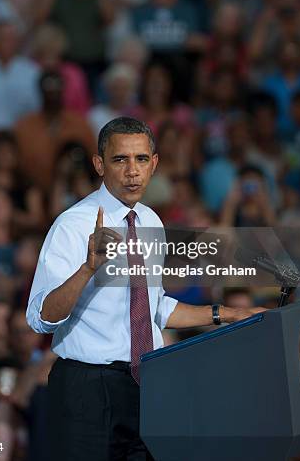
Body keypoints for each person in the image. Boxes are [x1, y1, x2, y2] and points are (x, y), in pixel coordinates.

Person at [26, 116, 265, 460]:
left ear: (154, 164)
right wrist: (87, 269)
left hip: (144, 385)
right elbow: (40, 317)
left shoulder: (151, 221)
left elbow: (153, 307)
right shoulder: (72, 226)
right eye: (120, 159)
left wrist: (229, 313)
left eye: (140, 159)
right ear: (99, 164)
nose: (132, 171)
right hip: (86, 390)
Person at [14, 70, 96, 191]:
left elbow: (94, 160)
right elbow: (16, 164)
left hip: (74, 194)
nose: (52, 95)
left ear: (63, 90)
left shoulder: (79, 124)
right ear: (40, 91)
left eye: (56, 89)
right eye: (48, 90)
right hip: (31, 192)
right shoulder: (24, 126)